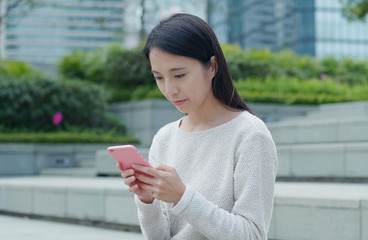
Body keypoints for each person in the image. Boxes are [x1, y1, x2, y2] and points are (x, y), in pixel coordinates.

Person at [117, 13, 278, 240]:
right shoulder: (165, 138)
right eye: (159, 77)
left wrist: (182, 197)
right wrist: (147, 200)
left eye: (179, 75)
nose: (170, 89)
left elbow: (251, 235)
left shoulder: (250, 135)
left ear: (212, 66)